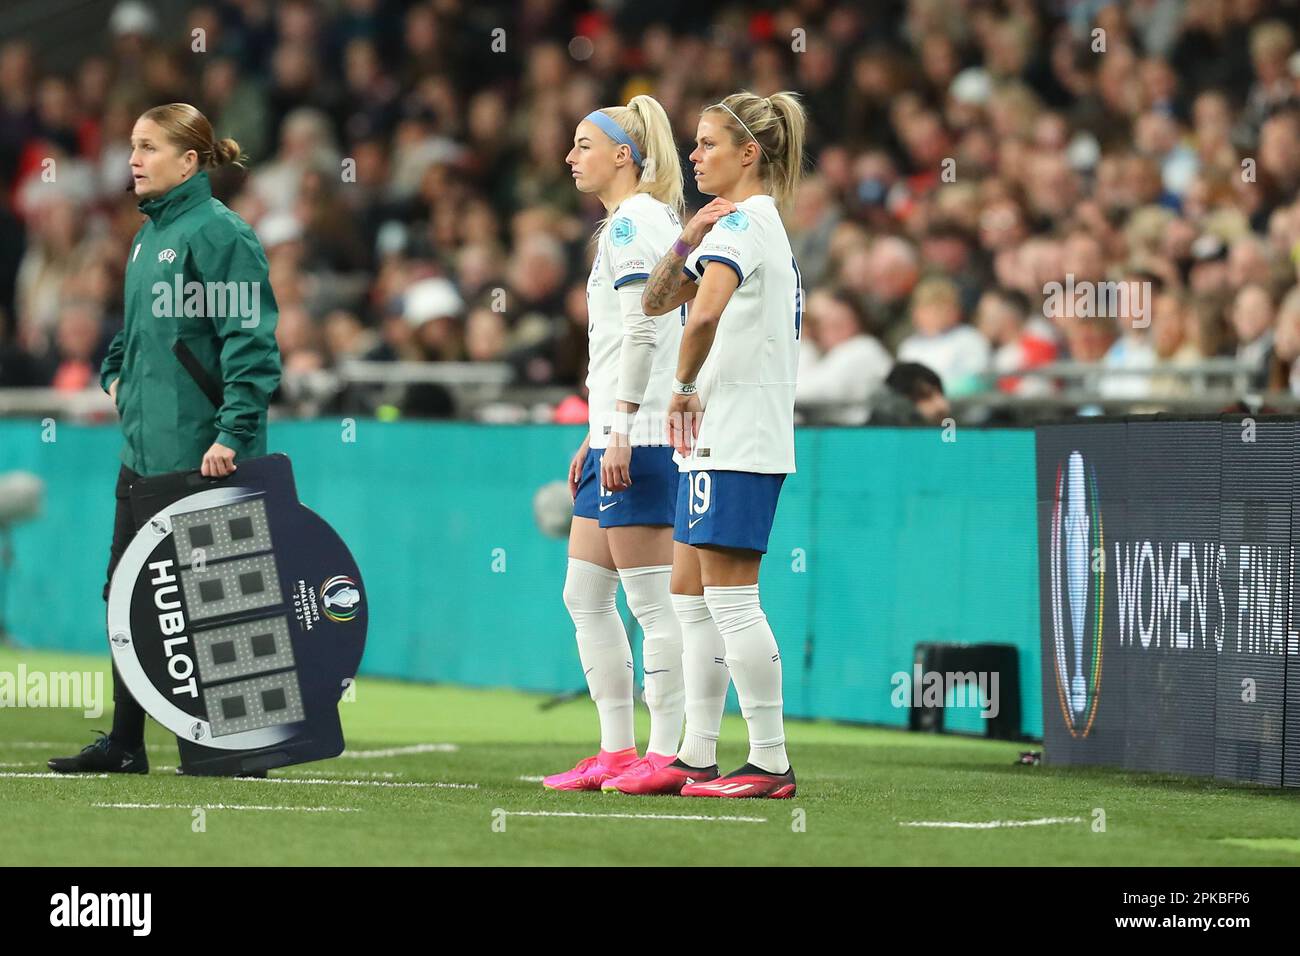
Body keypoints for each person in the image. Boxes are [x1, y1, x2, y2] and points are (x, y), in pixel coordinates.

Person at [48, 103, 281, 774]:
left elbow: (251, 341)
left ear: (189, 161)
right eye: (131, 146)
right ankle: (125, 744)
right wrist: (114, 375)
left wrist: (233, 431)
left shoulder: (221, 234)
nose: (133, 158)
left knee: (218, 595)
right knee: (130, 596)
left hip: (202, 449)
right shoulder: (148, 237)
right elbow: (136, 335)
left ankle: (241, 747)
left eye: (148, 147)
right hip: (142, 452)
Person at [610, 91, 807, 799]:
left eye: (708, 144)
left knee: (731, 602)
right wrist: (687, 235)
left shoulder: (747, 226)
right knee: (689, 597)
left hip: (735, 437)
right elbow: (659, 300)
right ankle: (695, 754)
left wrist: (684, 386)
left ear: (749, 153)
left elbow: (702, 318)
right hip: (718, 441)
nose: (693, 156)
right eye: (693, 143)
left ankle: (771, 762)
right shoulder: (732, 226)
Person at [541, 95, 690, 791]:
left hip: (647, 434)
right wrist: (596, 430)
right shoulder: (642, 221)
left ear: (622, 155)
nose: (570, 158)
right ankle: (617, 750)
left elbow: (644, 332)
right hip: (622, 429)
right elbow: (622, 345)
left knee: (651, 603)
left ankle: (663, 752)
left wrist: (622, 427)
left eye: (582, 145)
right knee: (584, 593)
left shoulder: (633, 224)